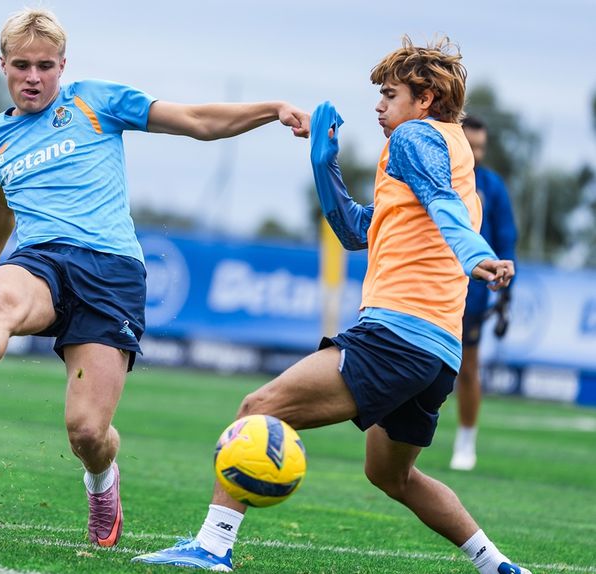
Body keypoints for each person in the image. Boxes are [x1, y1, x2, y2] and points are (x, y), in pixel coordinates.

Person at [0, 7, 310, 548]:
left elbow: (196, 122)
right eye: (21, 65)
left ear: (62, 65)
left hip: (111, 272)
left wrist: (272, 108)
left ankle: (102, 482)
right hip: (40, 259)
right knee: (1, 294)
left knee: (87, 432)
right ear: (2, 65)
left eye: (45, 66)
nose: (33, 77)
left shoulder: (96, 101)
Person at [132, 37, 532, 573]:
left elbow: (441, 203)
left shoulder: (417, 137)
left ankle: (212, 546)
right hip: (438, 353)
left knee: (257, 409)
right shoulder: (447, 150)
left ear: (426, 97)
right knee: (391, 476)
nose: (379, 106)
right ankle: (498, 565)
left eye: (389, 94)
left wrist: (475, 253)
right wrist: (325, 163)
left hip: (398, 334)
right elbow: (355, 230)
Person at [450, 115, 518, 472]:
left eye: (480, 148)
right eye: (470, 146)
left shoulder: (492, 186)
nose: (475, 154)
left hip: (472, 294)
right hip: (434, 287)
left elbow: (506, 238)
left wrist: (507, 295)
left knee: (469, 369)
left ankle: (465, 442)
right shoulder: (439, 175)